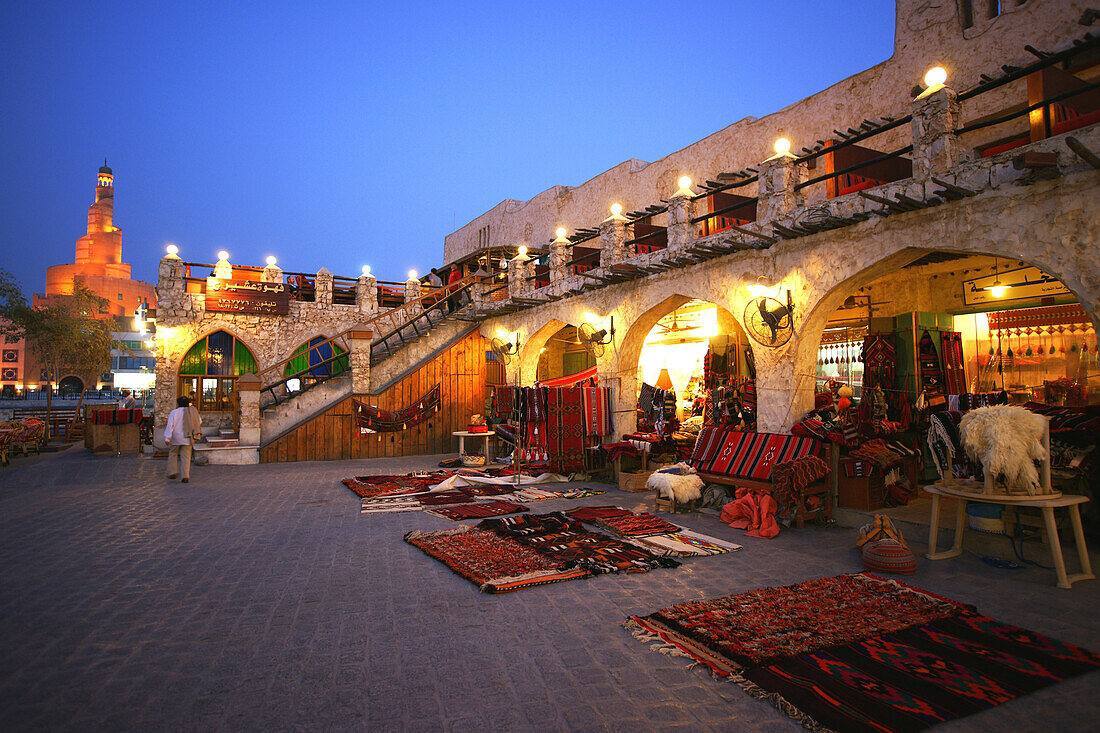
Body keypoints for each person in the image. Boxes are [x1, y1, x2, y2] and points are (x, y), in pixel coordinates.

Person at [164, 395, 202, 482]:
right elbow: (199, 421)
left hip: (176, 438)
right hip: (187, 437)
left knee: (173, 454)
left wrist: (167, 438)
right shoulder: (192, 412)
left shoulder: (174, 412)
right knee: (186, 457)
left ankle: (172, 472)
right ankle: (185, 476)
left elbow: (170, 425)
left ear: (178, 403)